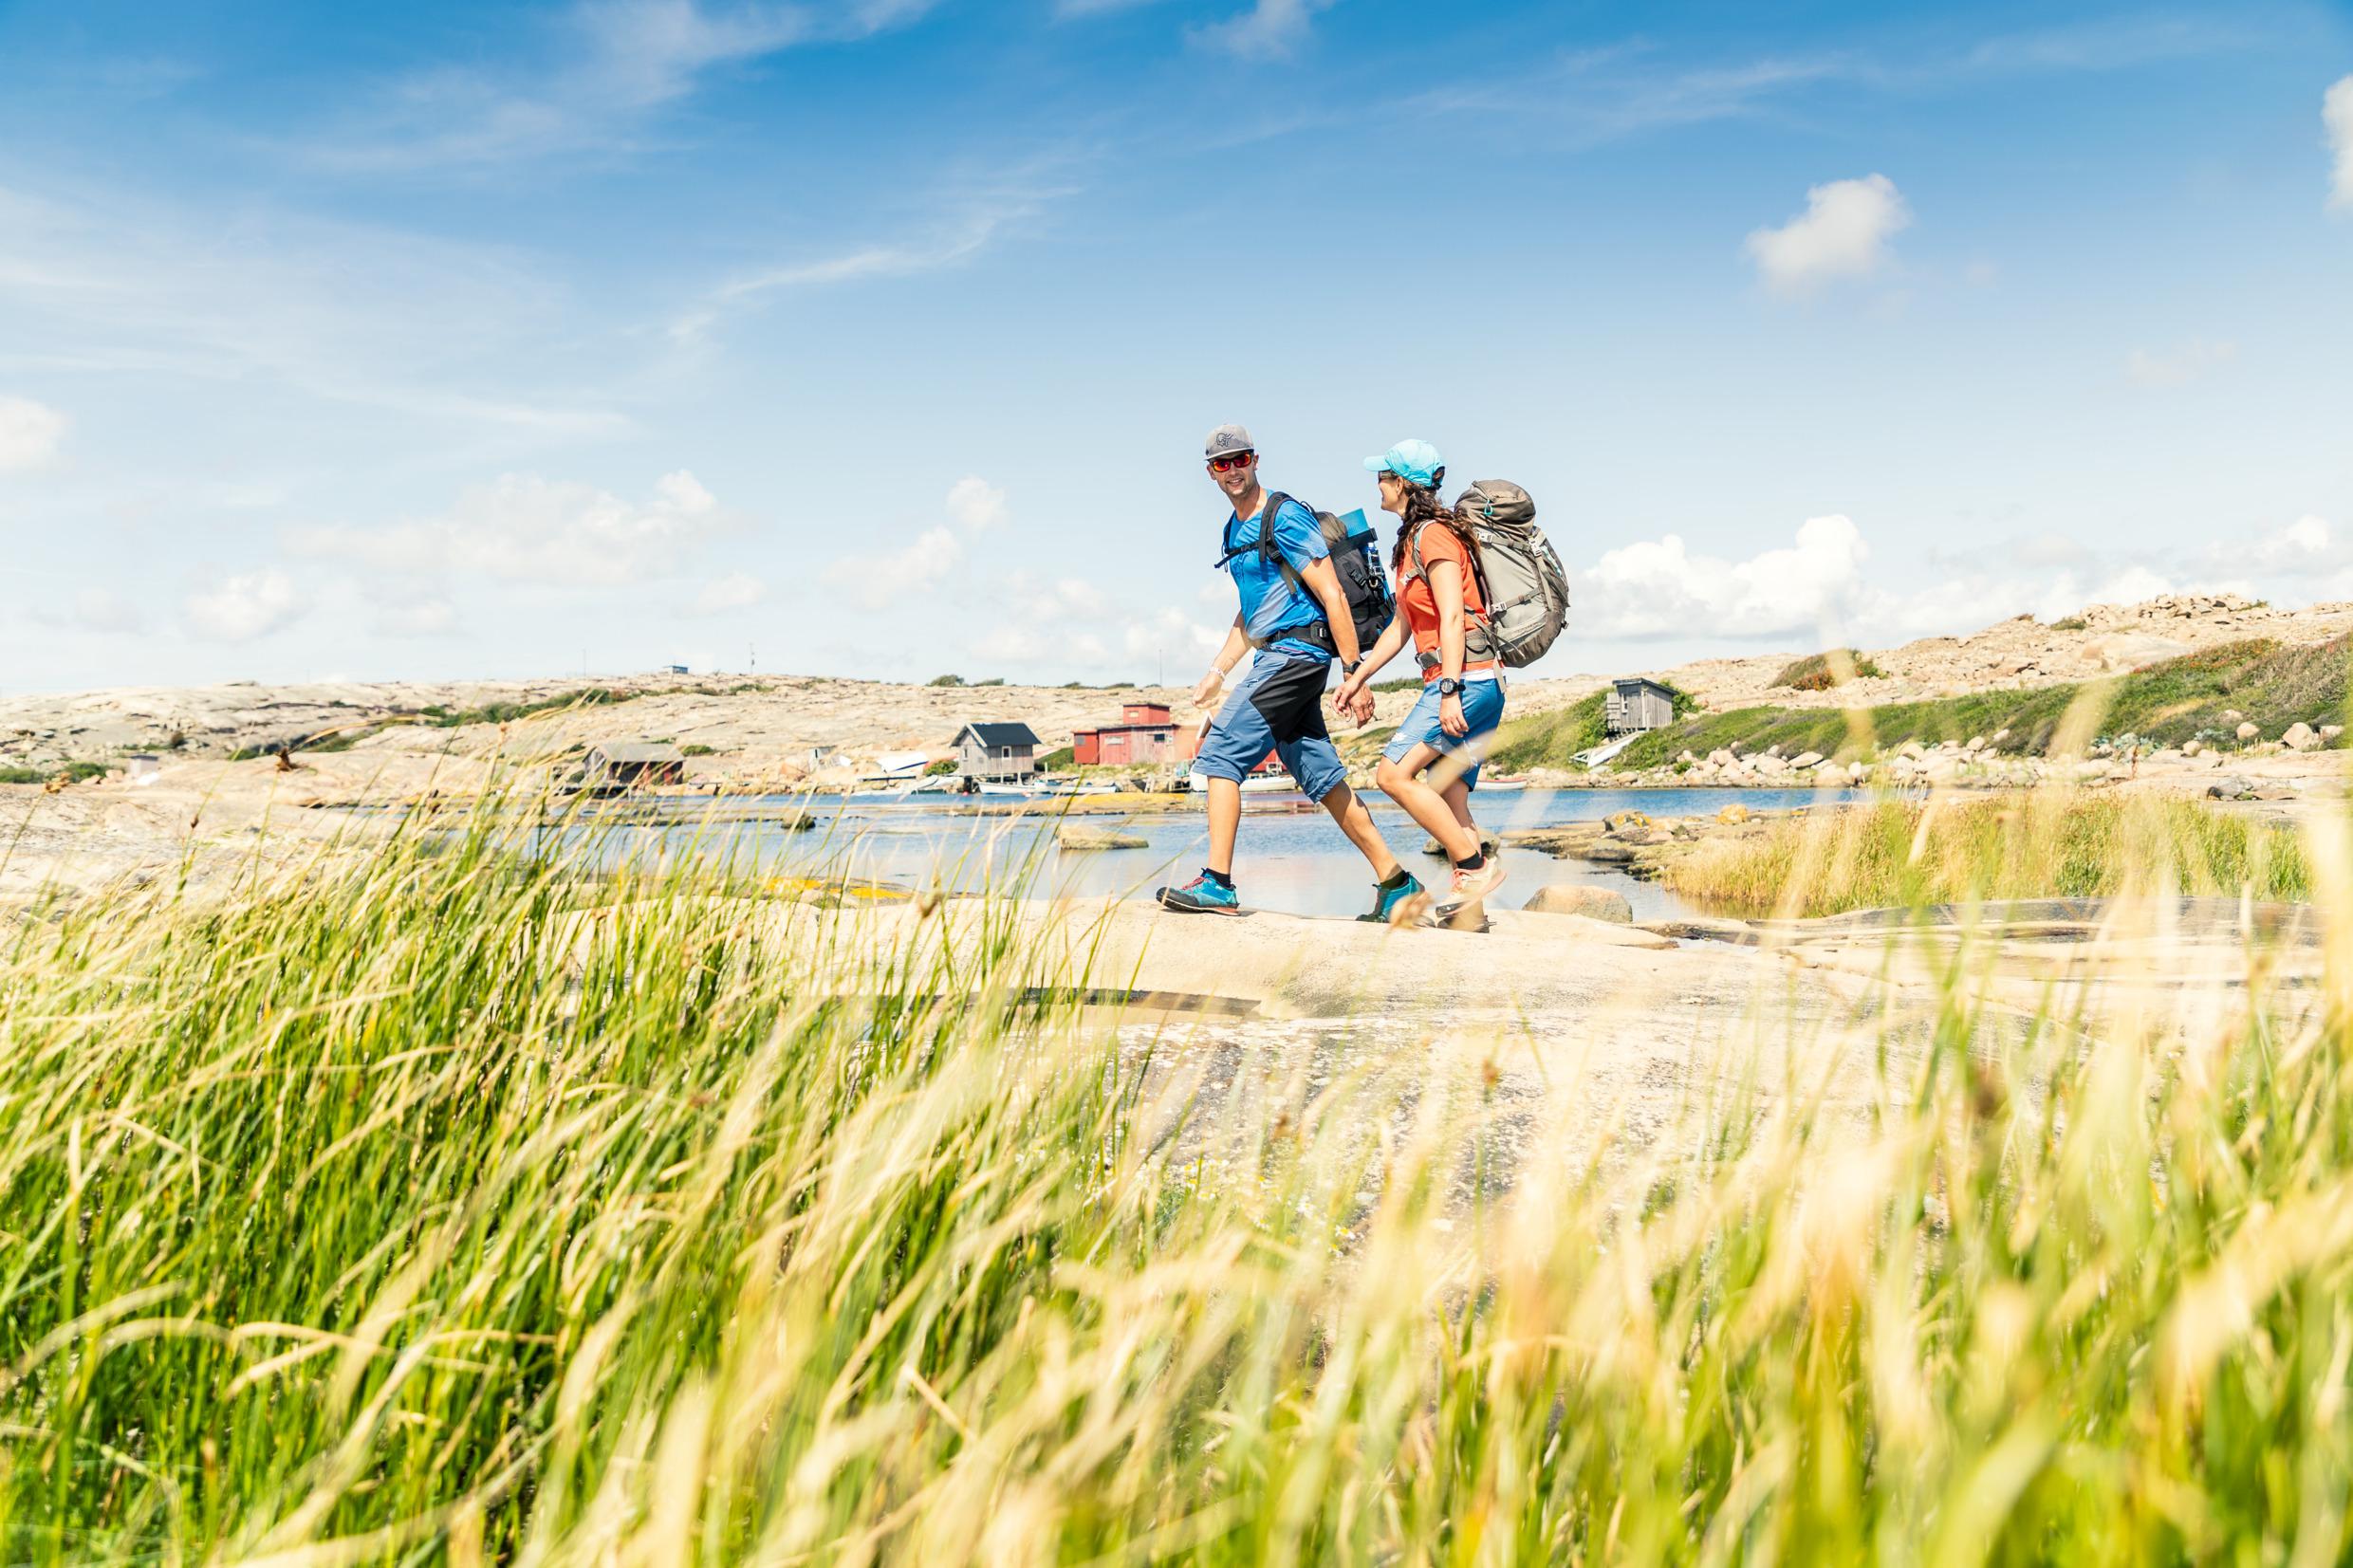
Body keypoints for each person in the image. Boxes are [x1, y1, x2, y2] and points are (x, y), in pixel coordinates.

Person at [1158, 424, 1422, 919]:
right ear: (1211, 473)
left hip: (1298, 656)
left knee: (1218, 756)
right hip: (1274, 656)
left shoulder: (1285, 516)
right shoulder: (1235, 530)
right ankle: (1398, 884)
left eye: (1240, 460)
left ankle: (1217, 884)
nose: (1232, 470)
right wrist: (1218, 670)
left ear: (1256, 460)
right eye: (1221, 464)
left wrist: (1354, 673)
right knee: (1322, 779)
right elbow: (1251, 615)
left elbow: (1332, 594)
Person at [1332, 439, 1507, 912]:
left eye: (1383, 477)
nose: (1377, 485)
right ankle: (1469, 909)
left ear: (1403, 483)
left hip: (1466, 681)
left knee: (1391, 775)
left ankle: (1475, 868)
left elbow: (1452, 617)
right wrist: (1356, 677)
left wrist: (1450, 691)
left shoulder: (1434, 536)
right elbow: (1401, 628)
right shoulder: (1410, 544)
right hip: (1459, 681)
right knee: (1450, 794)